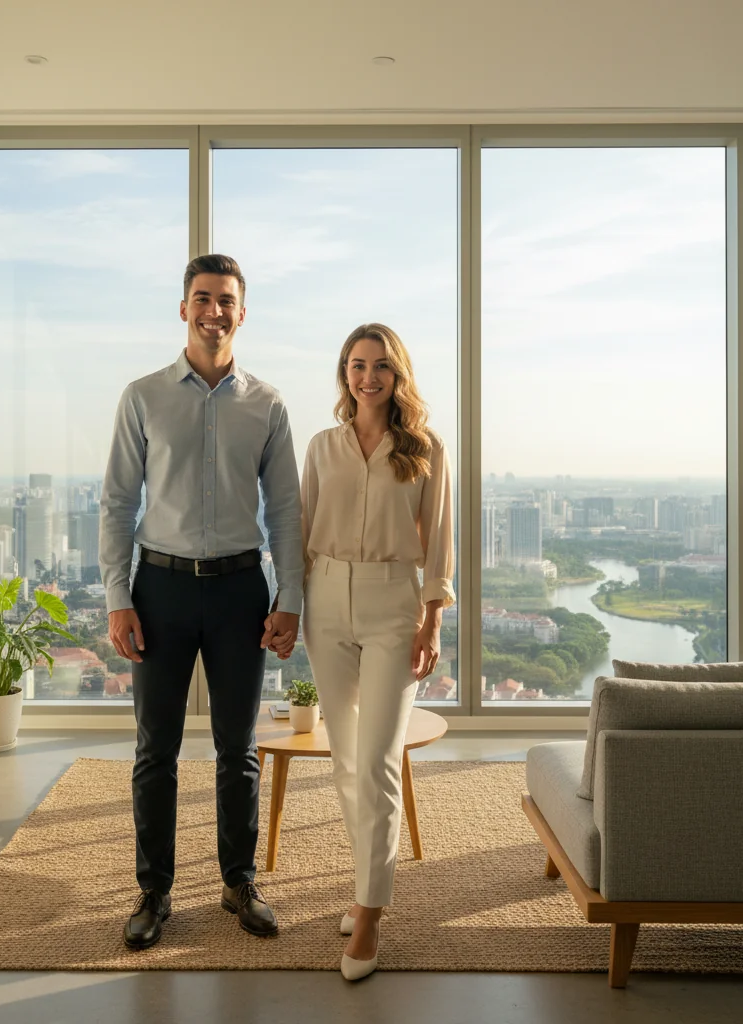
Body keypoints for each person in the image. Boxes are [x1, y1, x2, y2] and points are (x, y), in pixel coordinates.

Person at [99, 254, 303, 951]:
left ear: (243, 314)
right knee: (155, 750)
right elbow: (118, 502)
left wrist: (290, 598)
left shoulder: (268, 404)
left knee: (237, 749)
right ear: (183, 308)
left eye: (226, 301)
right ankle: (153, 891)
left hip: (242, 590)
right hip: (158, 589)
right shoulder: (143, 396)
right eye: (202, 298)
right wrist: (118, 598)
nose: (214, 311)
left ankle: (238, 880)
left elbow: (286, 512)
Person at [300, 323, 455, 981]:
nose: (368, 377)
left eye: (380, 367)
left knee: (378, 762)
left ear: (398, 376)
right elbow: (300, 529)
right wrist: (288, 604)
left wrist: (434, 620)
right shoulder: (322, 446)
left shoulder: (423, 449)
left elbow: (441, 537)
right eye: (357, 365)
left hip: (395, 605)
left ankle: (369, 914)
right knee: (344, 761)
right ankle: (367, 884)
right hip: (326, 599)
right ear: (344, 372)